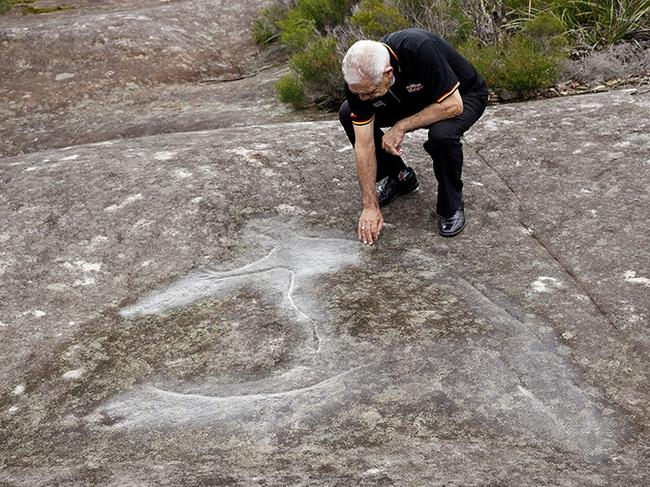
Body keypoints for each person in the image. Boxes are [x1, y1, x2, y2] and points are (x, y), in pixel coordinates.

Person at [339, 28, 489, 245]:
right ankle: (400, 176)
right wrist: (369, 206)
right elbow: (364, 145)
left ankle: (451, 204)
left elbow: (453, 106)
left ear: (388, 73)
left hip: (461, 95)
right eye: (358, 93)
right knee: (347, 113)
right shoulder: (359, 80)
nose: (363, 98)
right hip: (410, 97)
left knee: (441, 135)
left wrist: (401, 127)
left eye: (369, 93)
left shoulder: (418, 48)